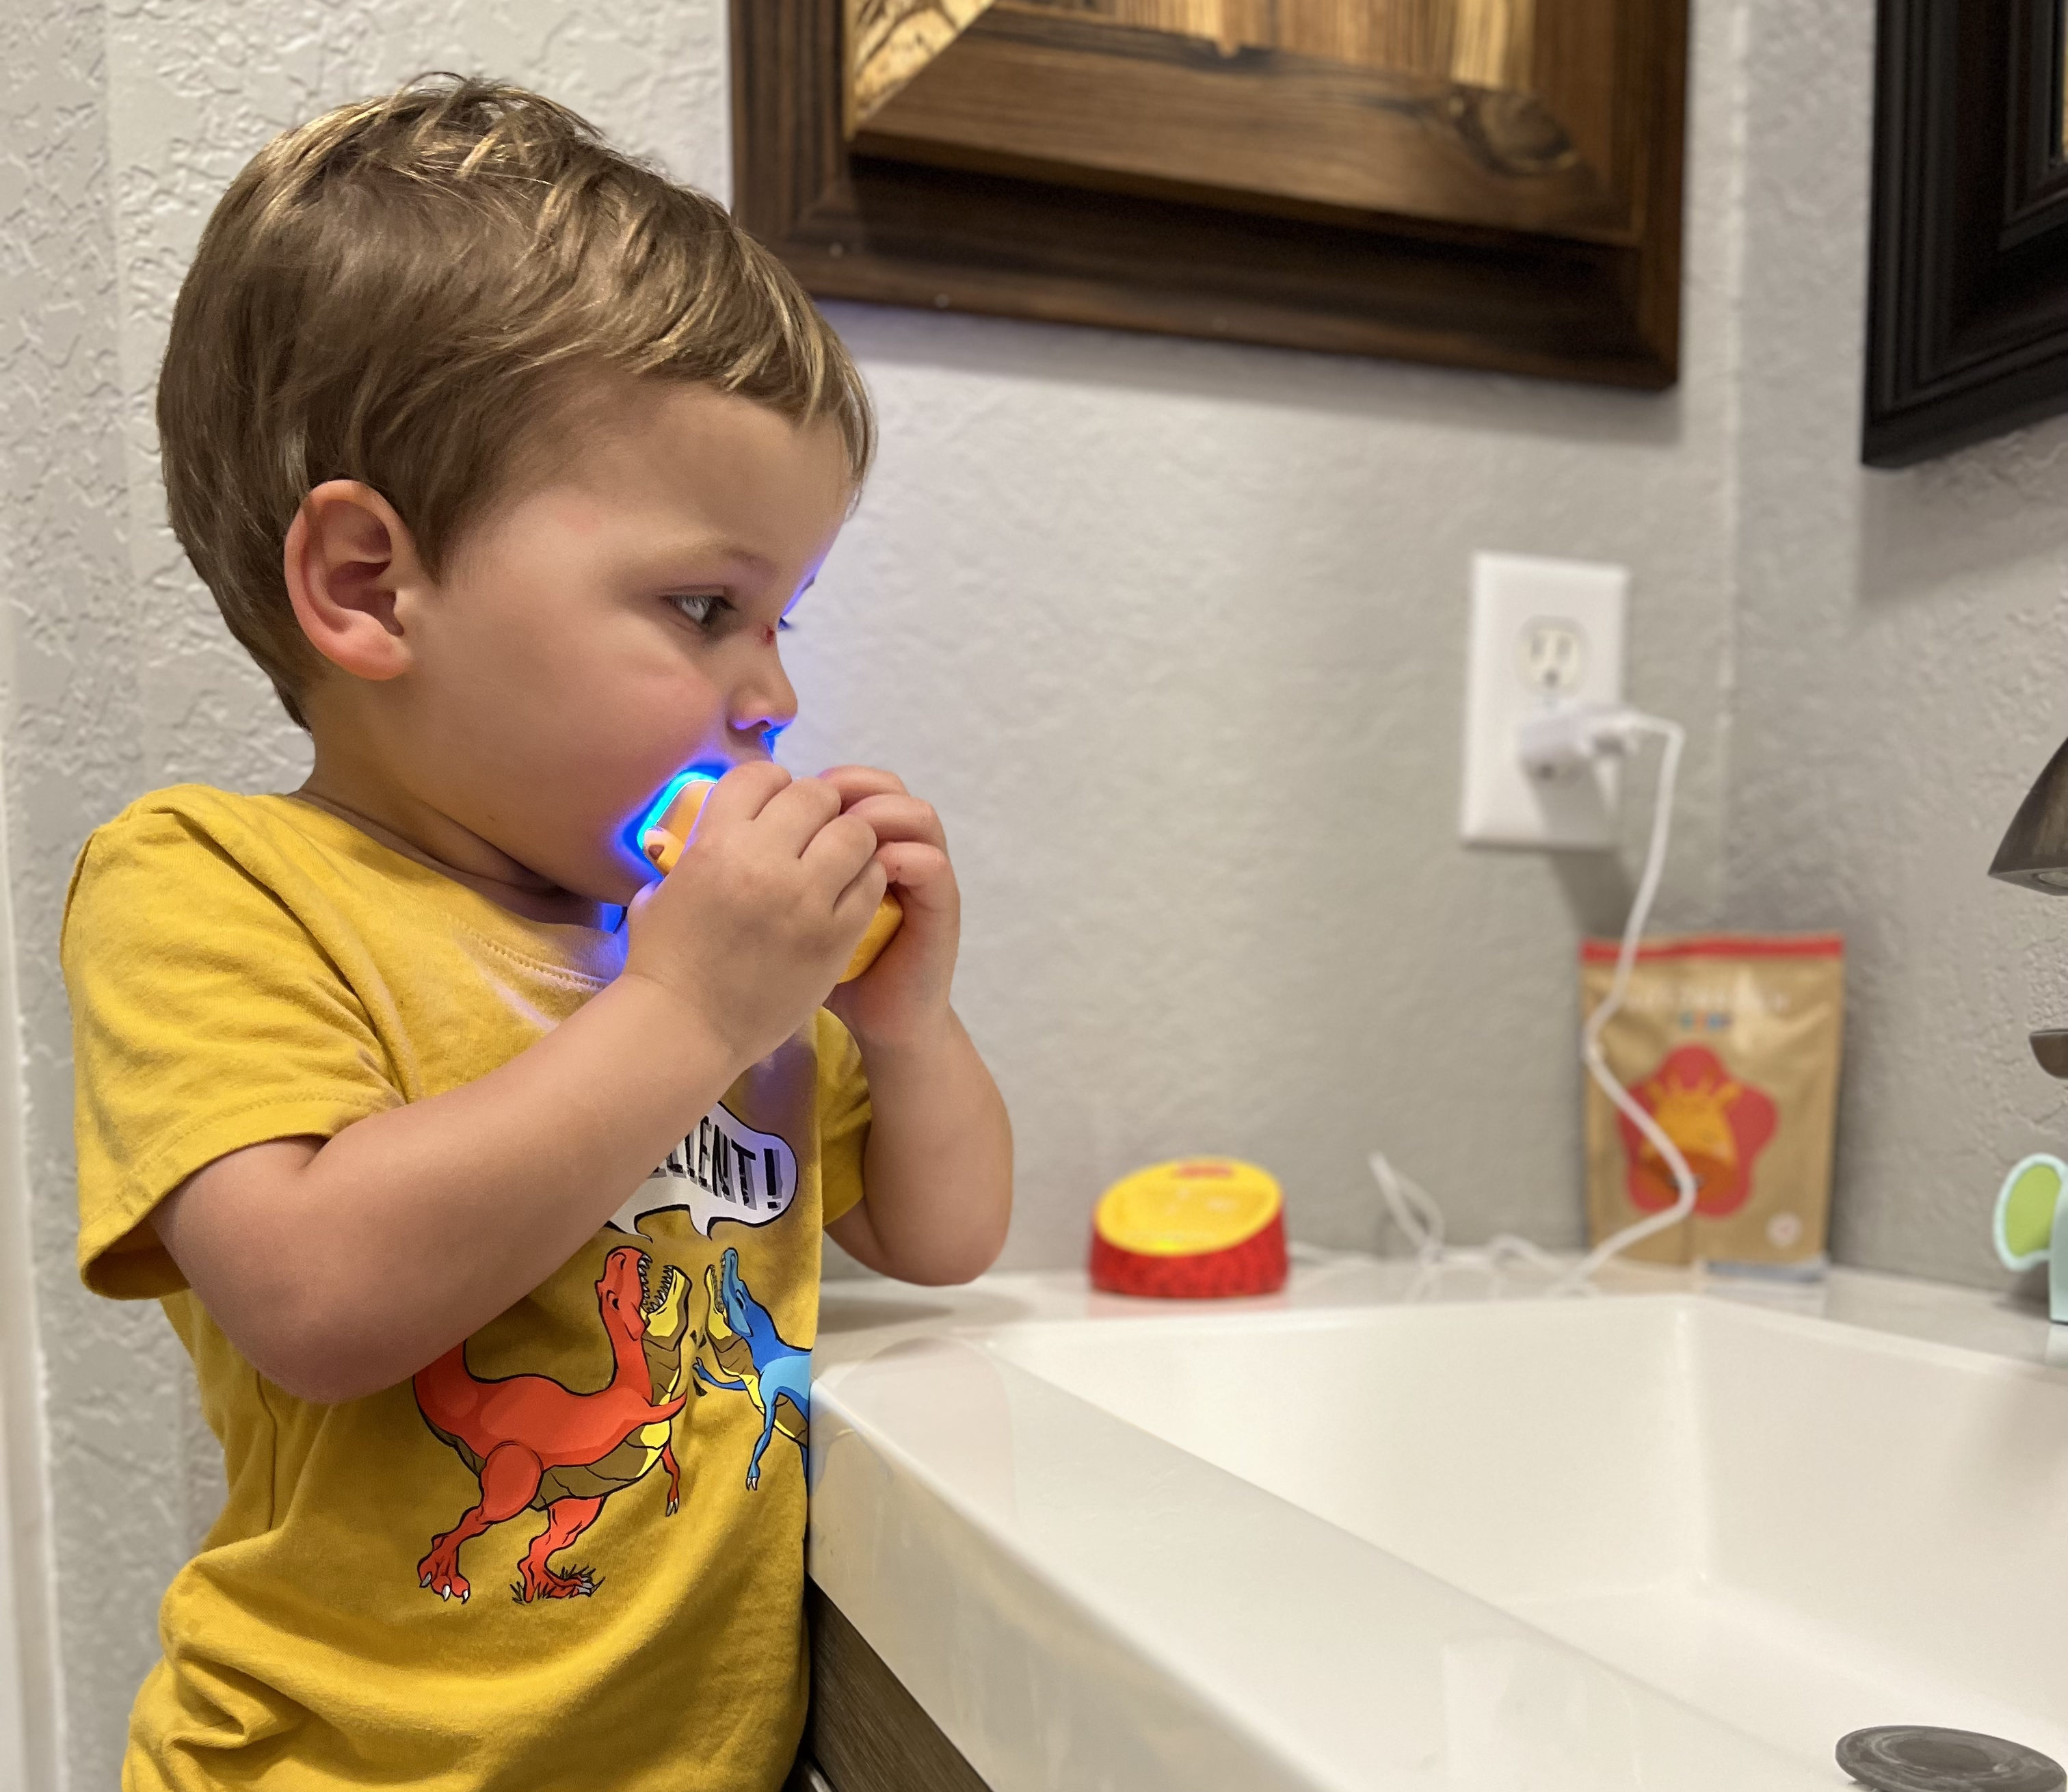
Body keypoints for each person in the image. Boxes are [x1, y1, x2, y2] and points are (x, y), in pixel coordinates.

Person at [59, 73, 1013, 1792]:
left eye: (781, 619)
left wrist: (908, 1024)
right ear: (368, 583)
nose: (774, 691)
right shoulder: (209, 879)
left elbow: (939, 1235)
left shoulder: (693, 952)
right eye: (707, 606)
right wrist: (687, 1008)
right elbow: (321, 1295)